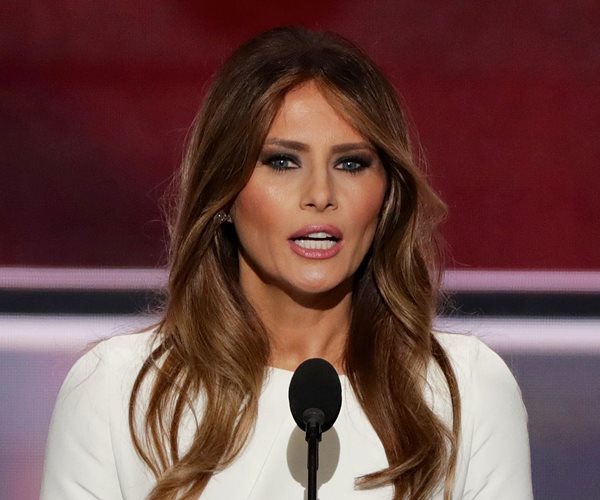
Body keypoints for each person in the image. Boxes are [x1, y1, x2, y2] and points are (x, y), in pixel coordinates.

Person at [41, 27, 533, 500]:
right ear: (224, 191)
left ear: (387, 197)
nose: (320, 194)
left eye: (351, 163)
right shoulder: (117, 390)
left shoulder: (466, 389)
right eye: (282, 162)